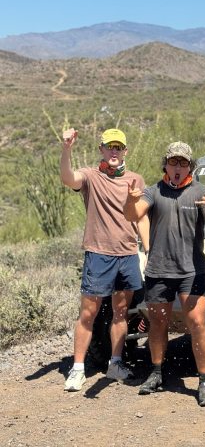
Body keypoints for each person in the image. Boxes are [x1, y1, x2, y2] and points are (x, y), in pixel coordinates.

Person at [123, 141, 205, 406]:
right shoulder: (153, 191)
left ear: (190, 166)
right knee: (158, 323)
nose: (177, 167)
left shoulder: (200, 191)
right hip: (159, 269)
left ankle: (204, 381)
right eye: (173, 162)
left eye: (183, 163)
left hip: (193, 271)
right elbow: (132, 214)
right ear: (165, 164)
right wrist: (129, 199)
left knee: (197, 322)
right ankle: (156, 373)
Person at [61, 127, 149, 392]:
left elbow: (140, 216)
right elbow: (68, 178)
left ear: (125, 151)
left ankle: (116, 362)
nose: (114, 151)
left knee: (121, 312)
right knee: (89, 312)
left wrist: (148, 247)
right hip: (98, 253)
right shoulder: (91, 176)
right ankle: (77, 368)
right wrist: (66, 149)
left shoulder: (135, 179)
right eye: (109, 146)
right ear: (101, 149)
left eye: (118, 147)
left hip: (127, 253)